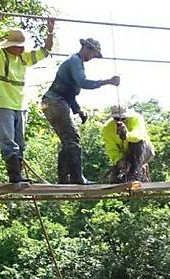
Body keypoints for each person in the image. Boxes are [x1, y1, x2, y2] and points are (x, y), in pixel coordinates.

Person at [41, 38, 120, 184]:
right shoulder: (75, 61)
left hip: (51, 102)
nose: (92, 57)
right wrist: (107, 81)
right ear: (86, 48)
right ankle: (77, 177)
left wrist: (78, 110)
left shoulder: (76, 63)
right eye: (93, 53)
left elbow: (69, 93)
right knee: (72, 139)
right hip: (53, 101)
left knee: (68, 140)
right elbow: (83, 82)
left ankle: (64, 178)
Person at [0, 11, 54, 183]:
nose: (22, 48)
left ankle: (18, 174)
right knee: (8, 140)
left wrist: (50, 31)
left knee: (20, 141)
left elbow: (45, 51)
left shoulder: (24, 58)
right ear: (10, 45)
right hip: (4, 103)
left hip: (21, 105)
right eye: (18, 45)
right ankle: (14, 176)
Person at [102, 105, 155, 183]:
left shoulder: (137, 118)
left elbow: (139, 136)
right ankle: (138, 172)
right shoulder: (107, 128)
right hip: (127, 155)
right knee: (115, 180)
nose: (121, 121)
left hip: (144, 151)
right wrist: (119, 160)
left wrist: (126, 135)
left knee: (135, 143)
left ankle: (136, 174)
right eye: (116, 119)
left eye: (124, 118)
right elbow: (111, 148)